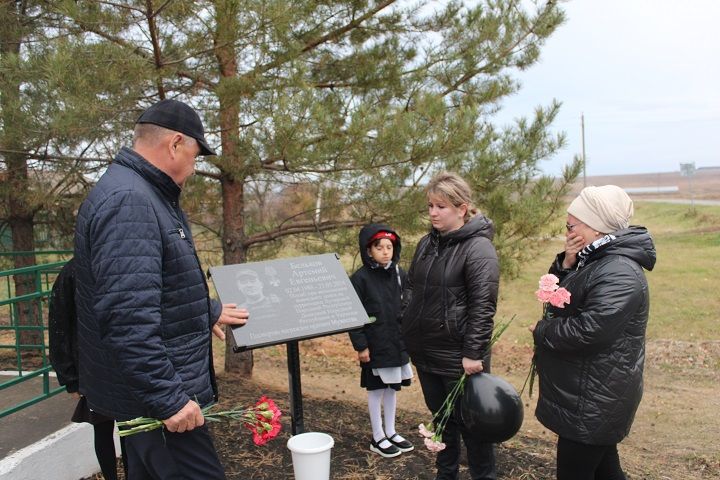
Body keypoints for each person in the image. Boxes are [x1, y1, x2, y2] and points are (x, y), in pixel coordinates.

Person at [73, 99, 249, 479]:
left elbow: (153, 283)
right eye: (195, 154)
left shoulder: (144, 193)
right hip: (158, 403)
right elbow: (126, 317)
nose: (194, 165)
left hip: (151, 394)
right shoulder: (131, 202)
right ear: (174, 144)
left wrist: (207, 311)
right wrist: (168, 399)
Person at [530, 185, 656, 480]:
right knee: (606, 471)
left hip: (595, 395)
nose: (567, 231)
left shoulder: (619, 271)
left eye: (571, 225)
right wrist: (566, 264)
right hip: (591, 391)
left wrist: (542, 330)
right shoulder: (596, 259)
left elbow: (589, 331)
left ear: (596, 228)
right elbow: (561, 302)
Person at [401, 172, 500, 480]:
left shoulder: (478, 249)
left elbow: (483, 307)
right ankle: (446, 474)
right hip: (426, 353)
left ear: (462, 208)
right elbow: (411, 288)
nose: (433, 213)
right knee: (442, 421)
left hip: (459, 358)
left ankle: (484, 476)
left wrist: (473, 353)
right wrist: (408, 319)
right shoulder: (426, 244)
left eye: (441, 206)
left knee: (473, 425)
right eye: (430, 205)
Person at [48, 258, 125, 480]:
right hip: (92, 368)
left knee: (131, 431)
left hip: (126, 363)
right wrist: (70, 377)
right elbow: (59, 324)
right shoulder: (72, 272)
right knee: (102, 429)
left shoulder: (119, 263)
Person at [348, 224, 414, 458]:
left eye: (390, 247)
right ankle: (377, 436)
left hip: (396, 342)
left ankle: (391, 431)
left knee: (392, 388)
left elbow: (408, 303)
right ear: (369, 250)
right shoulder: (360, 279)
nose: (385, 252)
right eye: (379, 247)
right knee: (376, 389)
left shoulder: (399, 274)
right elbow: (353, 314)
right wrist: (361, 345)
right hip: (374, 344)